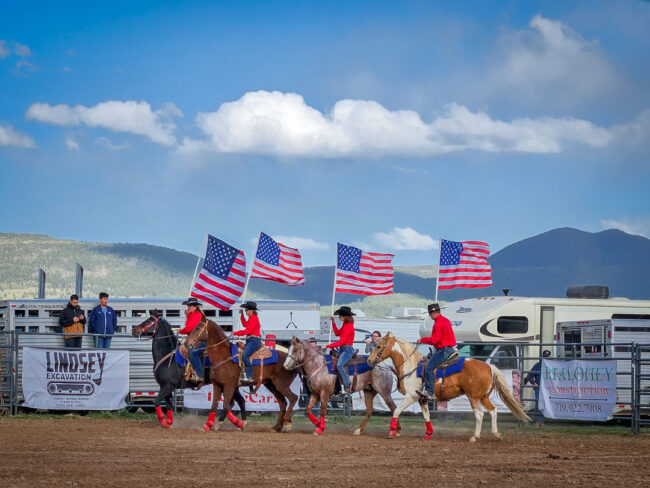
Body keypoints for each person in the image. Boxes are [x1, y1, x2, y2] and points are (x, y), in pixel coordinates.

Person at [416, 303, 457, 401]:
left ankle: (429, 392)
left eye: (430, 314)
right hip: (450, 348)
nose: (430, 316)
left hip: (443, 351)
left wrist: (422, 340)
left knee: (428, 367)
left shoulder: (438, 324)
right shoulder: (445, 320)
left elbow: (434, 340)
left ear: (434, 312)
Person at [322, 306, 356, 394]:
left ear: (345, 316)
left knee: (339, 365)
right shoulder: (345, 325)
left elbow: (341, 342)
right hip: (343, 349)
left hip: (347, 350)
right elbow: (337, 333)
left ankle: (347, 384)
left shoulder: (348, 327)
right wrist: (333, 322)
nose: (339, 317)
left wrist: (327, 346)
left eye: (340, 315)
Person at [232, 301, 263, 385]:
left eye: (246, 309)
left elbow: (247, 330)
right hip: (251, 340)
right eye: (245, 309)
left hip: (254, 340)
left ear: (251, 310)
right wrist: (242, 315)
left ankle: (250, 376)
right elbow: (245, 324)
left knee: (245, 355)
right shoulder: (251, 318)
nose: (246, 311)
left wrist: (236, 333)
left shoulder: (253, 318)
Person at [178, 297, 206, 384]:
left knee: (193, 352)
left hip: (201, 340)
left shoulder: (197, 315)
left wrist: (180, 331)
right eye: (188, 305)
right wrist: (187, 315)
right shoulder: (191, 315)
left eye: (190, 305)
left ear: (195, 307)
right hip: (193, 339)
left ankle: (199, 374)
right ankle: (189, 370)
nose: (188, 307)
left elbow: (191, 328)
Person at [525, 349, 551, 426]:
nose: (546, 358)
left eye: (547, 357)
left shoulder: (550, 365)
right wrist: (534, 383)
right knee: (539, 403)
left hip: (547, 388)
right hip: (540, 387)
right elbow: (529, 376)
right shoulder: (538, 365)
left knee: (544, 403)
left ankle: (541, 420)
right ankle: (538, 420)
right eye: (545, 357)